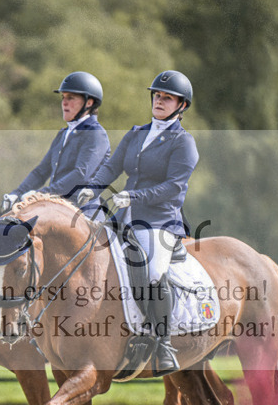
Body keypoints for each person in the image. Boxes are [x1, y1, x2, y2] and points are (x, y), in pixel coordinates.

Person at [78, 70, 197, 375]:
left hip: (159, 220)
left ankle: (164, 341)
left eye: (167, 97)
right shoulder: (136, 133)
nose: (159, 100)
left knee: (154, 272)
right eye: (157, 95)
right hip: (123, 215)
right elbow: (113, 166)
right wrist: (92, 188)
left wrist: (135, 197)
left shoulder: (184, 143)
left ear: (181, 106)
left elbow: (174, 187)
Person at [0, 72, 110, 214]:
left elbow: (81, 175)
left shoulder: (95, 134)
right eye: (63, 97)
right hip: (55, 208)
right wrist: (17, 193)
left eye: (71, 98)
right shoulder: (63, 134)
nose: (64, 102)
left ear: (89, 103)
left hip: (82, 213)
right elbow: (41, 172)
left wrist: (41, 195)